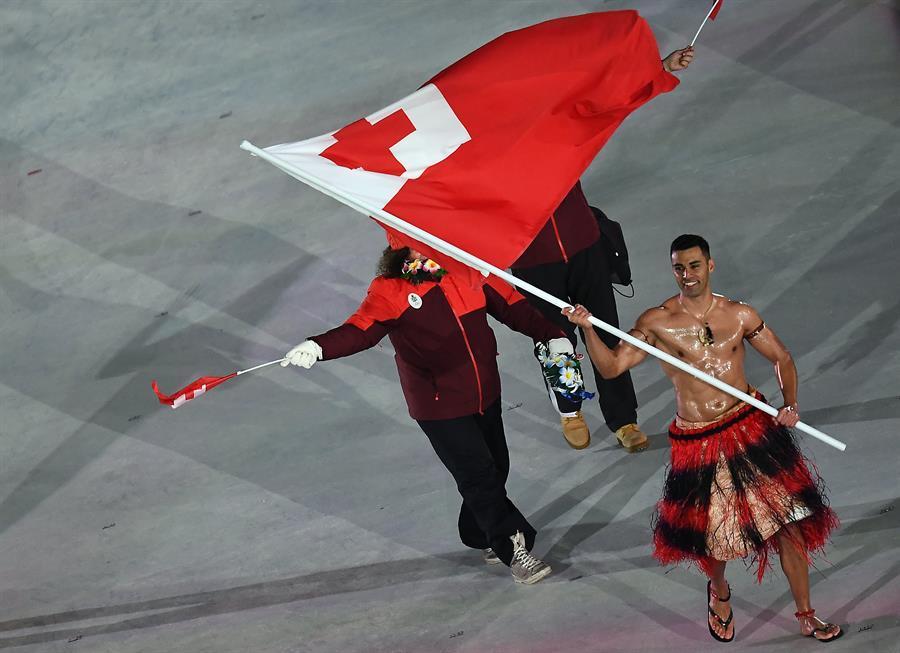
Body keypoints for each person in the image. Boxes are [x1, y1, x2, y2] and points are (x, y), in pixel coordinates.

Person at [564, 234, 842, 642]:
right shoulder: (657, 322)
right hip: (699, 439)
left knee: (790, 526)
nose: (687, 275)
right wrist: (588, 330)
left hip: (751, 428)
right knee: (713, 539)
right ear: (671, 269)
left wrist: (790, 404)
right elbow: (611, 369)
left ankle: (806, 614)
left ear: (710, 266)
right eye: (679, 267)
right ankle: (720, 592)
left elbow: (781, 357)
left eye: (694, 265)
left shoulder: (740, 315)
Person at [283, 244, 581, 584]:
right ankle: (514, 548)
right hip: (438, 405)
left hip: (485, 393)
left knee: (496, 467)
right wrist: (318, 346)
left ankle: (478, 532)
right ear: (400, 256)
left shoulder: (467, 270)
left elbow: (513, 308)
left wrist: (553, 335)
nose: (424, 259)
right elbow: (360, 330)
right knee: (479, 474)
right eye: (413, 255)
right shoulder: (390, 290)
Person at [509, 47, 695, 452]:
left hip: (584, 249)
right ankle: (570, 410)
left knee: (607, 335)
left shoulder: (560, 129)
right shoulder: (494, 153)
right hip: (533, 262)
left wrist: (659, 69)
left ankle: (623, 420)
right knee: (556, 343)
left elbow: (609, 107)